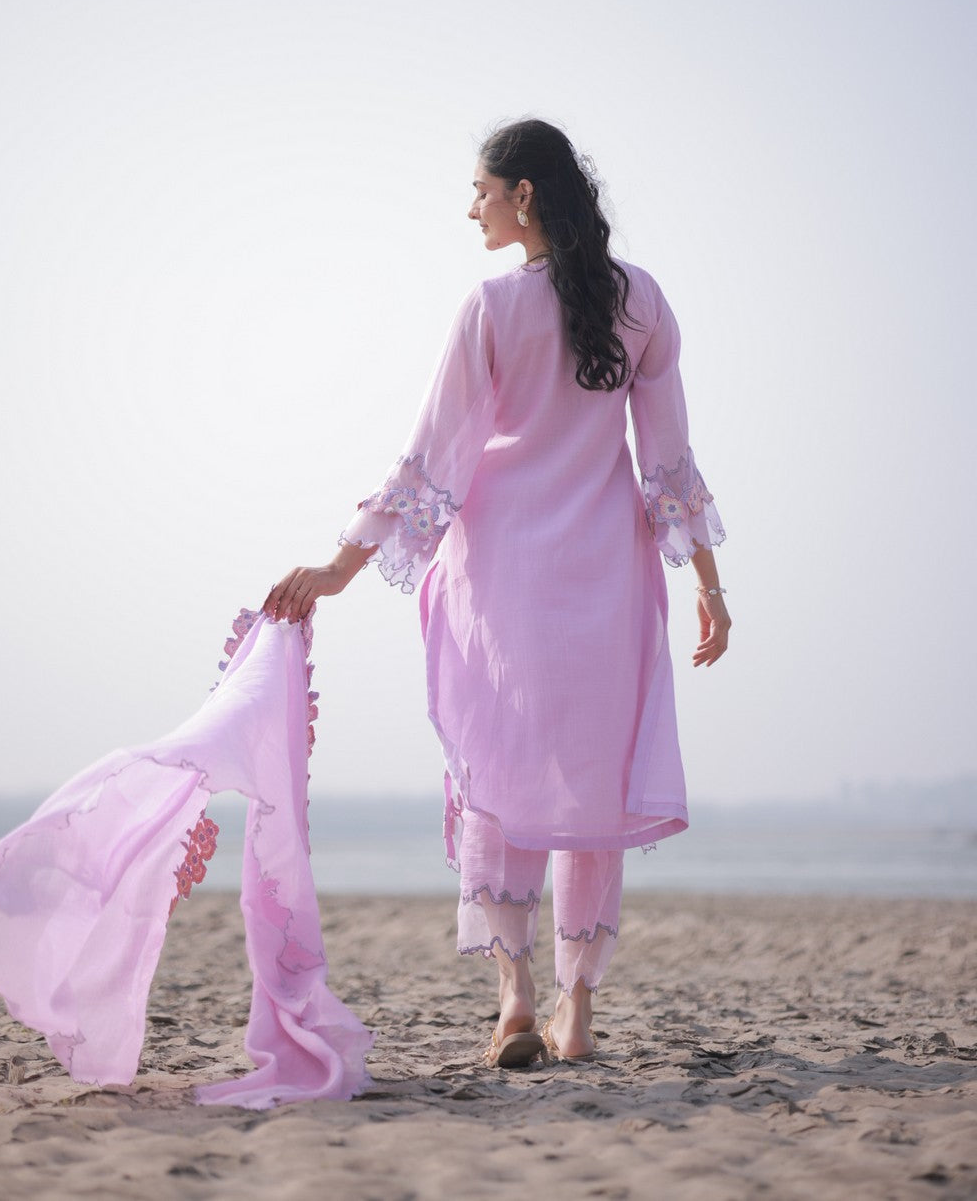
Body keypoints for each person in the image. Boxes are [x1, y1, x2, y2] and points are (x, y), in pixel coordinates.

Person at [263, 118, 730, 1068]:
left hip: (503, 582)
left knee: (501, 784)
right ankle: (577, 1012)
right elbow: (668, 458)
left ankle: (516, 997)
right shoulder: (640, 300)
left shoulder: (490, 306)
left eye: (480, 189)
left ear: (523, 195)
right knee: (589, 795)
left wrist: (341, 567)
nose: (469, 206)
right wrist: (711, 586)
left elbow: (433, 457)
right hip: (604, 579)